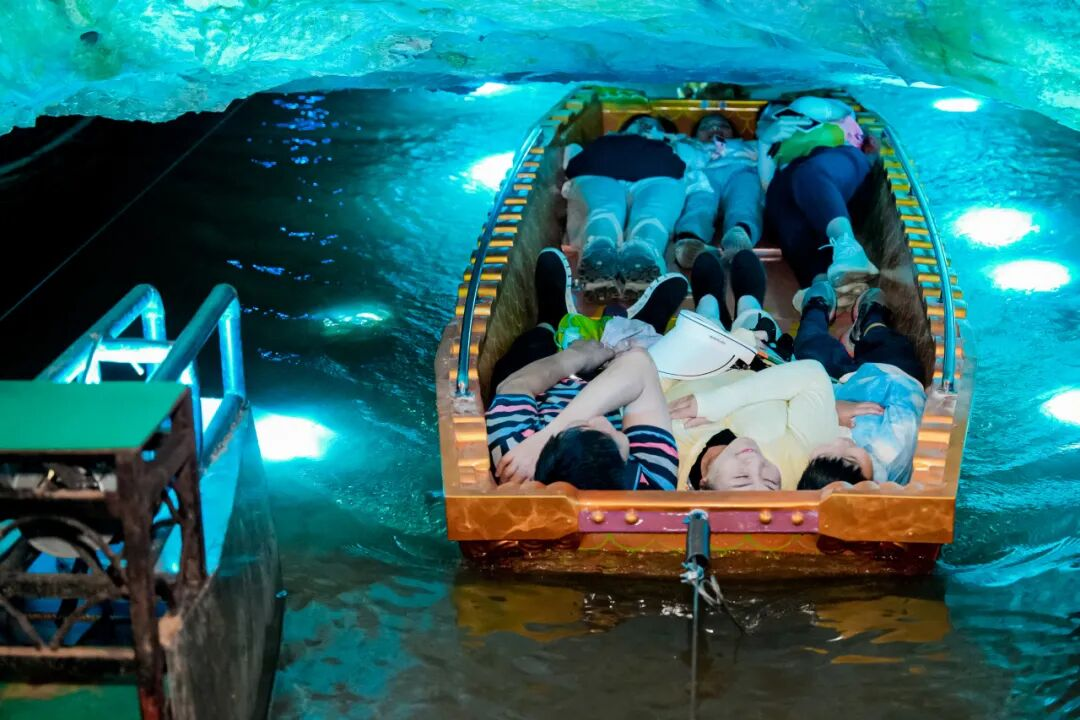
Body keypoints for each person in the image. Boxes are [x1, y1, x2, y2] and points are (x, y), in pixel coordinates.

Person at [486, 247, 683, 490]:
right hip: (619, 387)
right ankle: (646, 323)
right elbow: (639, 364)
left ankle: (551, 318)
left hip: (552, 381)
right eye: (604, 435)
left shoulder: (515, 457)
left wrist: (575, 357)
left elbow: (515, 386)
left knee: (529, 348)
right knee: (648, 349)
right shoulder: (652, 484)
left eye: (582, 426)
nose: (597, 418)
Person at [649, 251, 844, 491]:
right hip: (758, 358)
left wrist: (694, 346)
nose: (755, 463)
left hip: (689, 367)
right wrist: (718, 402)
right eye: (771, 482)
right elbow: (812, 375)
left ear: (704, 484)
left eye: (741, 478)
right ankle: (748, 302)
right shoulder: (798, 469)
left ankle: (709, 303)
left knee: (705, 317)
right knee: (756, 319)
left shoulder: (666, 466)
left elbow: (646, 385)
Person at [793, 280, 928, 488]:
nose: (840, 444)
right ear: (871, 483)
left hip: (835, 384)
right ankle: (871, 319)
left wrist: (830, 408)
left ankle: (816, 308)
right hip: (887, 375)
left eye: (823, 455)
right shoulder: (890, 452)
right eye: (852, 458)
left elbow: (796, 405)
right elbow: (905, 392)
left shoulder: (813, 465)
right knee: (889, 343)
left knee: (809, 347)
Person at [756, 97, 881, 309]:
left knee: (807, 174)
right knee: (779, 205)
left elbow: (845, 111)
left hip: (838, 162)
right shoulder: (773, 146)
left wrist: (804, 107)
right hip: (792, 178)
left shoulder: (833, 118)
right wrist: (765, 141)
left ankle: (848, 248)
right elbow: (767, 184)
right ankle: (821, 285)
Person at [562, 115, 688, 303]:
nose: (645, 124)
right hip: (598, 171)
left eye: (653, 124)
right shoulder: (607, 139)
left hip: (660, 176)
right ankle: (600, 253)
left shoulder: (680, 146)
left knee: (652, 216)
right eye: (638, 121)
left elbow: (700, 180)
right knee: (604, 211)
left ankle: (642, 255)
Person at [672, 114, 764, 270]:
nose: (715, 128)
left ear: (734, 133)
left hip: (741, 170)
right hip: (704, 173)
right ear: (695, 135)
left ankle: (739, 235)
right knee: (699, 201)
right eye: (706, 127)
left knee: (745, 198)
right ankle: (691, 239)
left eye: (723, 126)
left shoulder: (748, 145)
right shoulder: (690, 145)